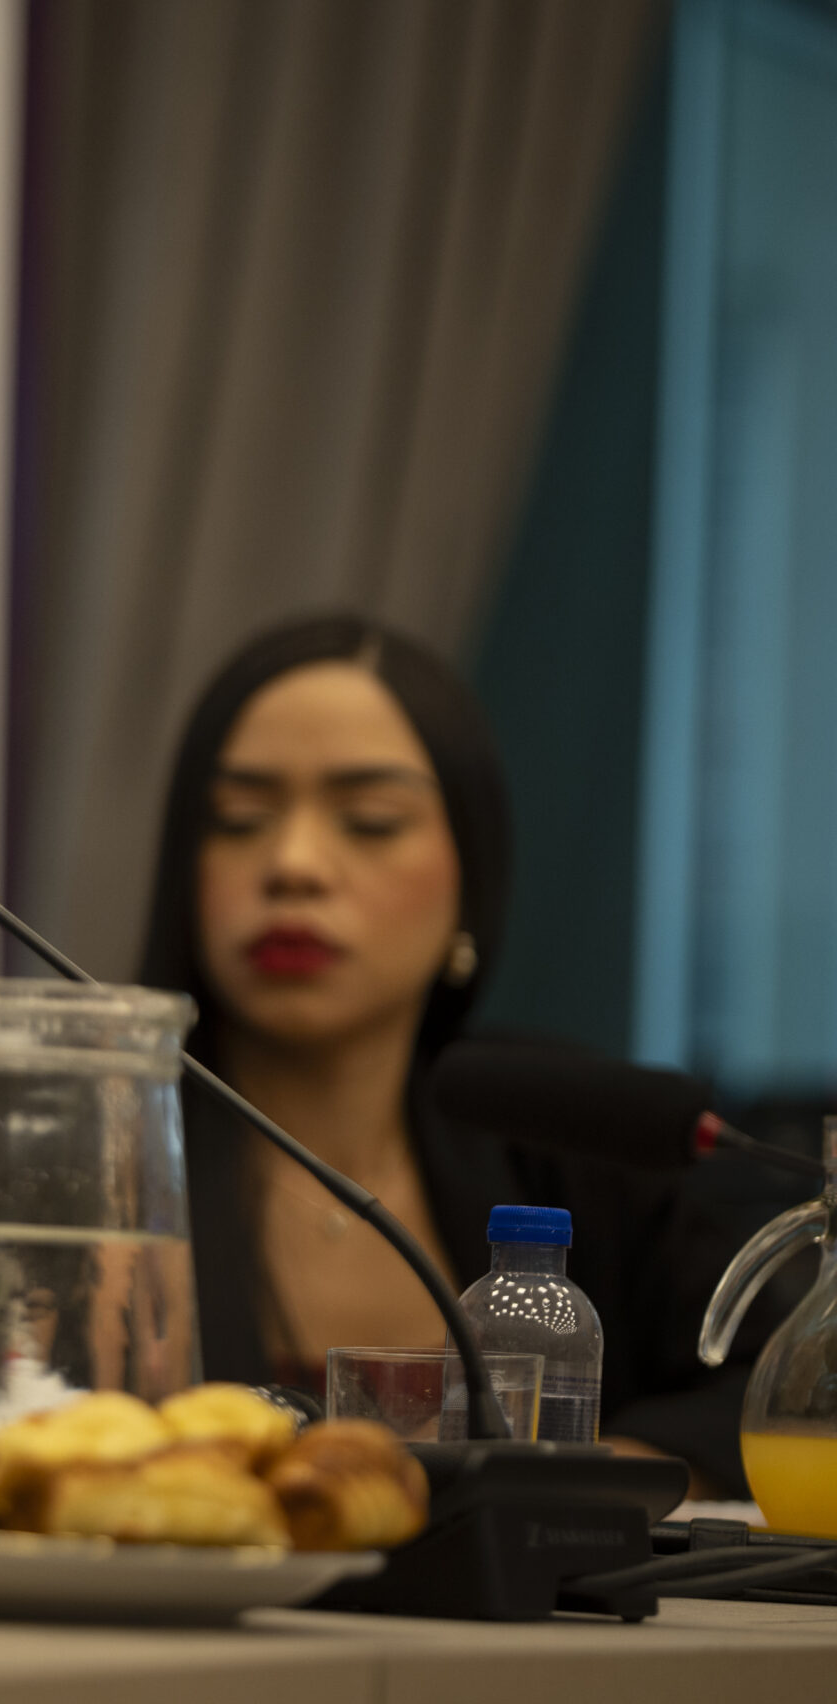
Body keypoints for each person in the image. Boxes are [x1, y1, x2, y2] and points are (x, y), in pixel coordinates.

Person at [136, 614, 754, 1491]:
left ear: (472, 877)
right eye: (239, 820)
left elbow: (786, 1380)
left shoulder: (567, 1134)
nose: (293, 864)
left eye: (370, 821)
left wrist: (576, 1490)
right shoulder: (98, 1153)